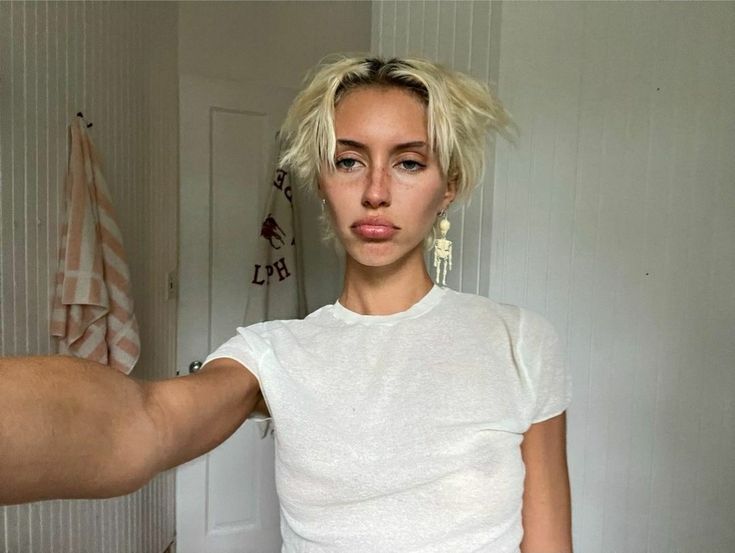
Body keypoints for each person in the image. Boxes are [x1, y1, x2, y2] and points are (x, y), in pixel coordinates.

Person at [0, 55, 572, 552]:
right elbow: (142, 422)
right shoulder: (271, 352)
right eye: (349, 161)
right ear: (321, 179)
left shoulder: (518, 339)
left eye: (409, 162)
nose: (375, 191)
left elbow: (548, 542)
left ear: (449, 185)